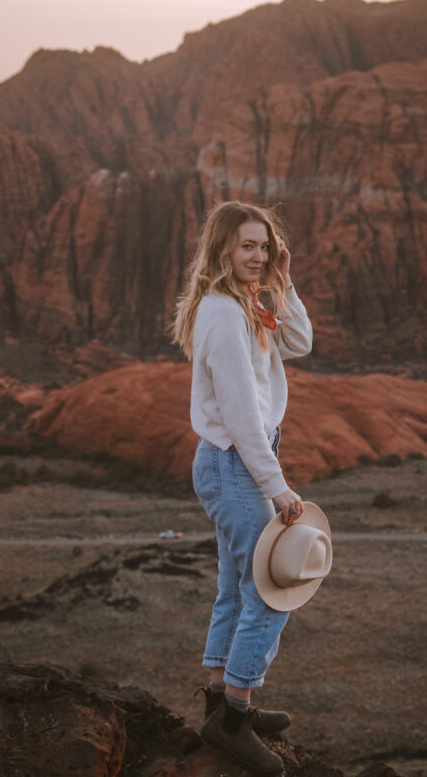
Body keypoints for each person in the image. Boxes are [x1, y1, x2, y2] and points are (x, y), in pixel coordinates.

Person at [172, 200, 313, 773]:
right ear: (223, 247)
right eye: (247, 246)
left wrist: (284, 281)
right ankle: (233, 717)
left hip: (234, 463)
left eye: (264, 245)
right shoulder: (226, 316)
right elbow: (240, 415)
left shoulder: (244, 303)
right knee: (274, 589)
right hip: (236, 463)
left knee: (236, 586)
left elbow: (299, 342)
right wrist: (276, 486)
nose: (257, 256)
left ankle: (219, 699)